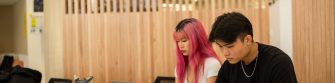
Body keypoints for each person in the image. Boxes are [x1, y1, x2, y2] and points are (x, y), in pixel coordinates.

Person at [208, 12, 297, 83]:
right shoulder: (228, 67)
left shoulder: (278, 62)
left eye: (230, 46)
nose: (225, 53)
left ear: (247, 40)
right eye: (220, 47)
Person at [173, 18, 222, 83]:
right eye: (178, 41)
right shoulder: (180, 67)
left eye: (184, 41)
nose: (180, 46)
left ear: (196, 40)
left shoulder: (212, 64)